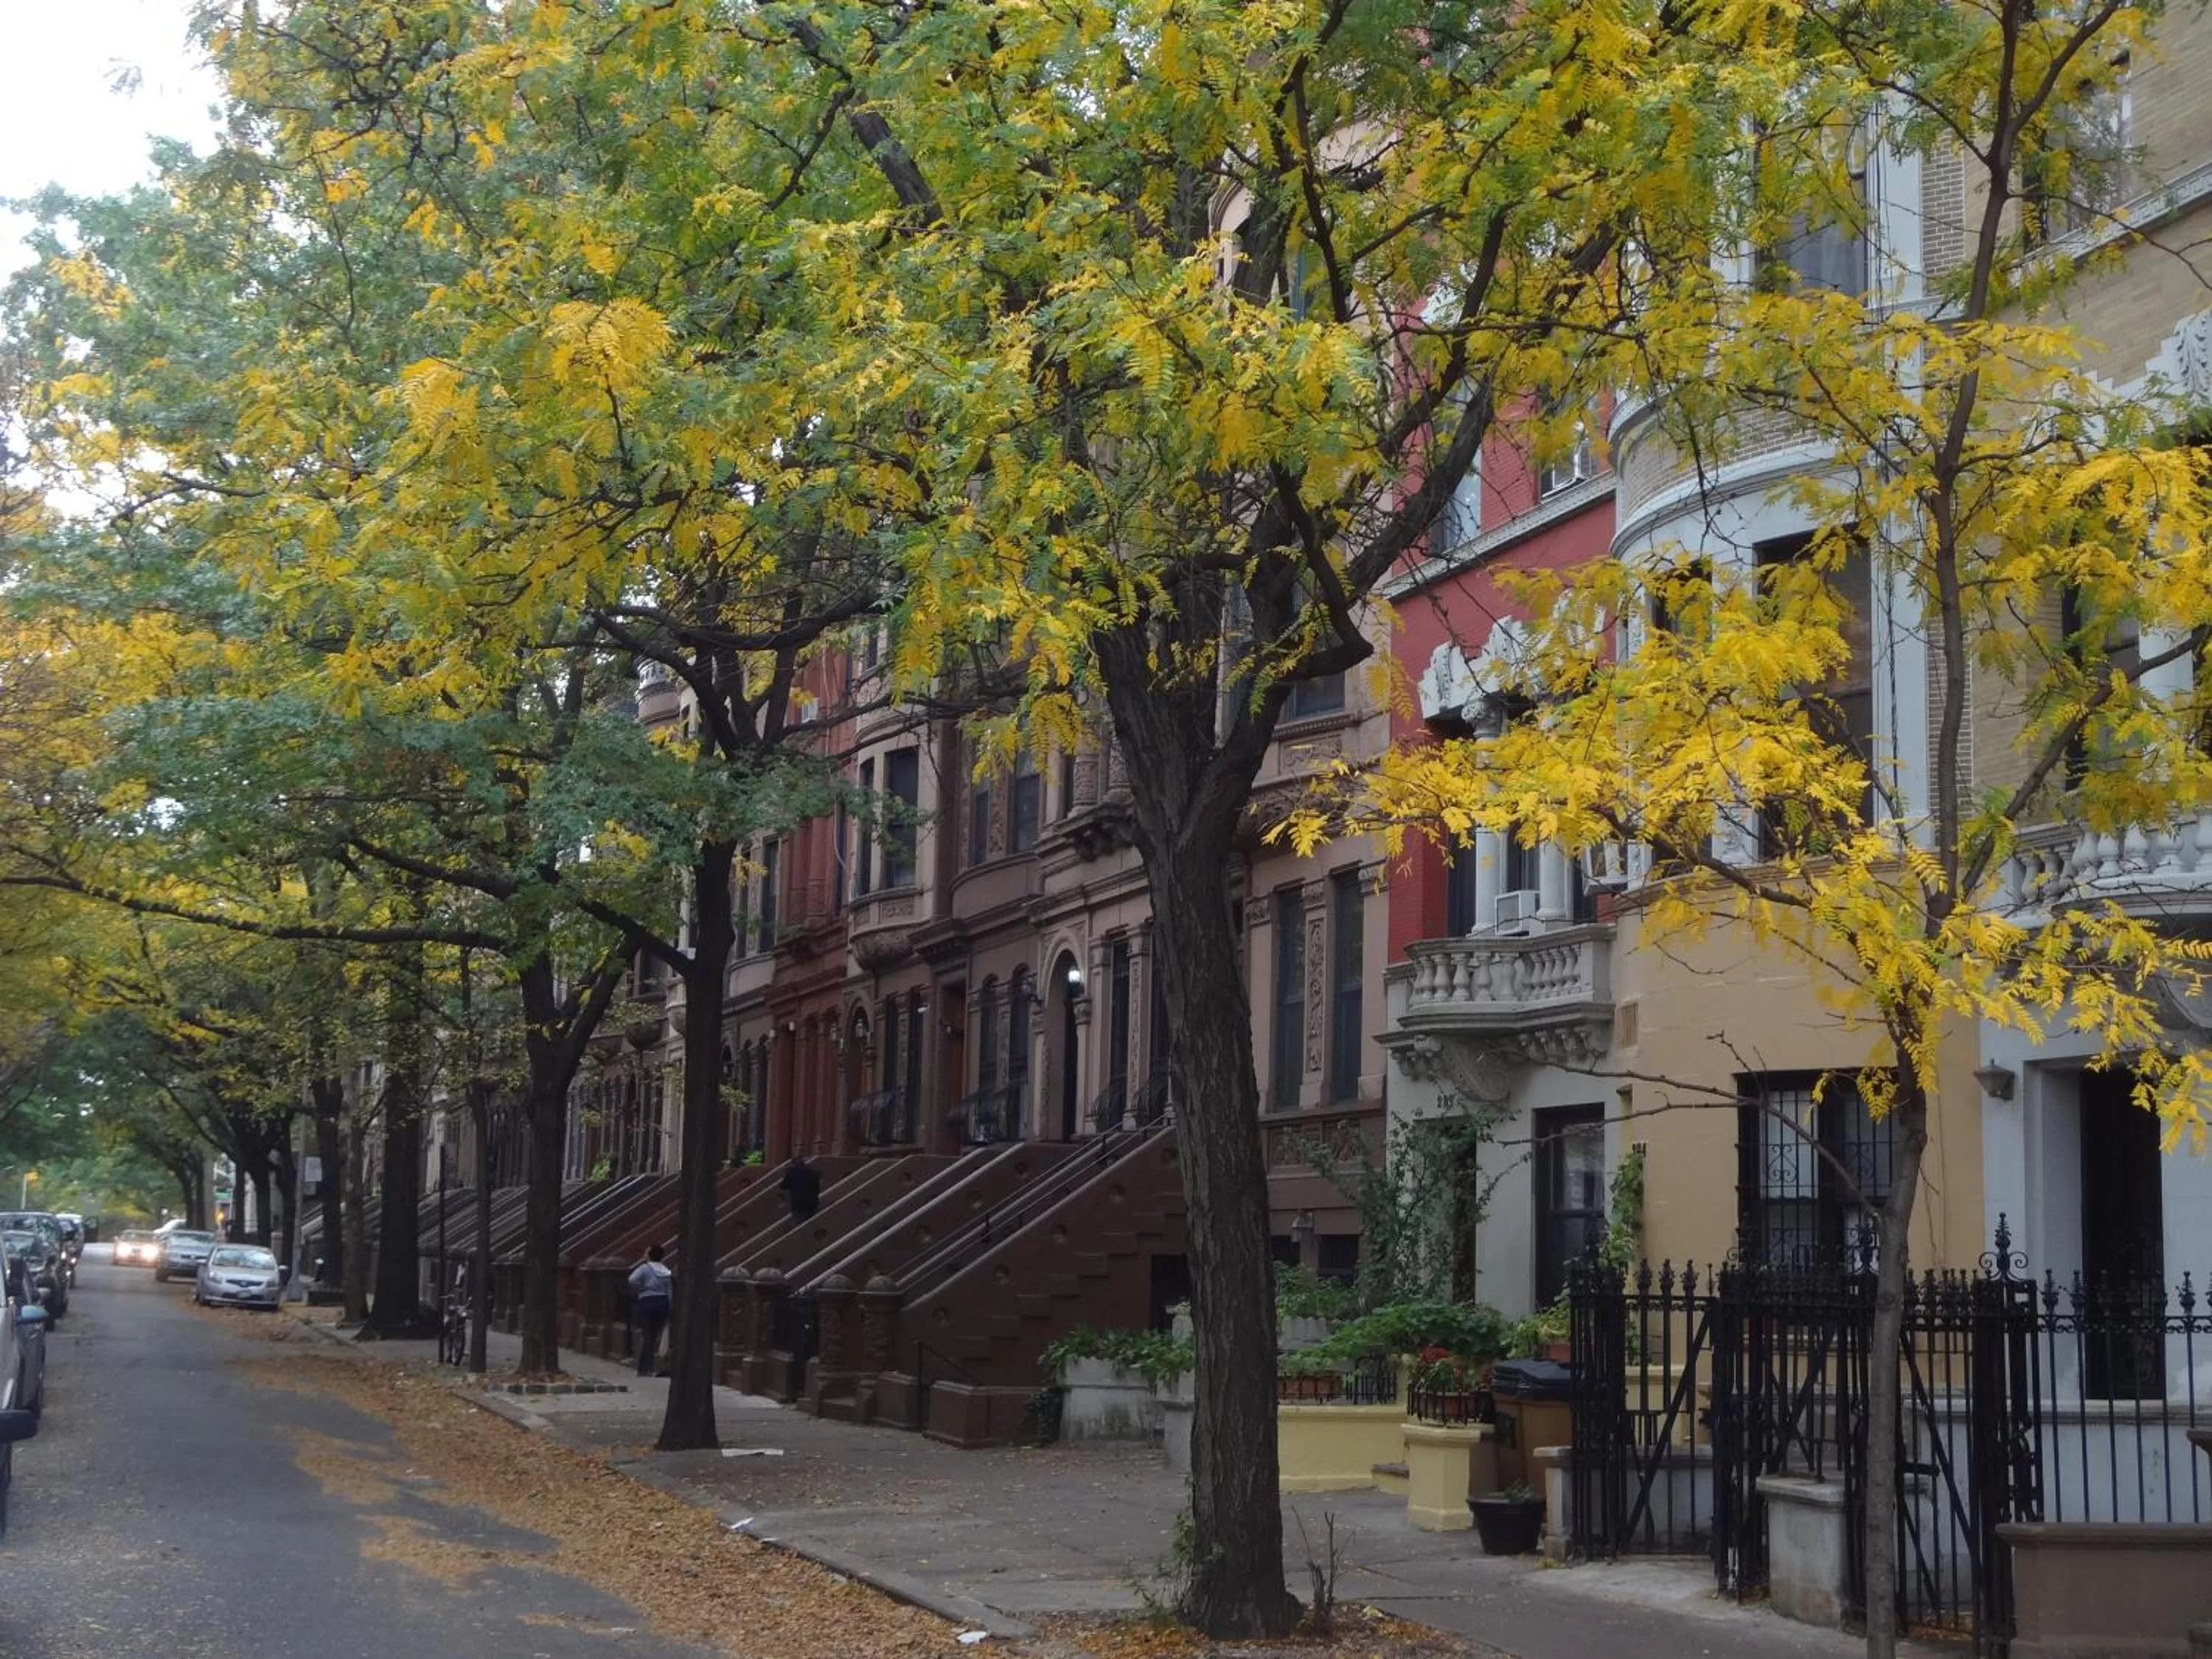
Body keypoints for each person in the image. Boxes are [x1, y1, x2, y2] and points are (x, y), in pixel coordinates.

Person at [626, 1244, 674, 1378]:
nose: (644, 1255)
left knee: (647, 1336)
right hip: (662, 1302)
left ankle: (644, 1368)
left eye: (646, 1252)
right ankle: (657, 1366)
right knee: (658, 1336)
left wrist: (642, 1289)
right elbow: (670, 1291)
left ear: (650, 1255)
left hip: (648, 1302)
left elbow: (632, 1280)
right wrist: (670, 1307)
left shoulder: (645, 1269)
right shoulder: (665, 1270)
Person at [780, 1155, 822, 1221]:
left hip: (797, 1203)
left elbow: (783, 1186)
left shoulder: (791, 1172)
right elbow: (817, 1189)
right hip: (811, 1203)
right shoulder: (812, 1172)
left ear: (793, 1163)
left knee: (798, 1222)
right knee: (809, 1223)